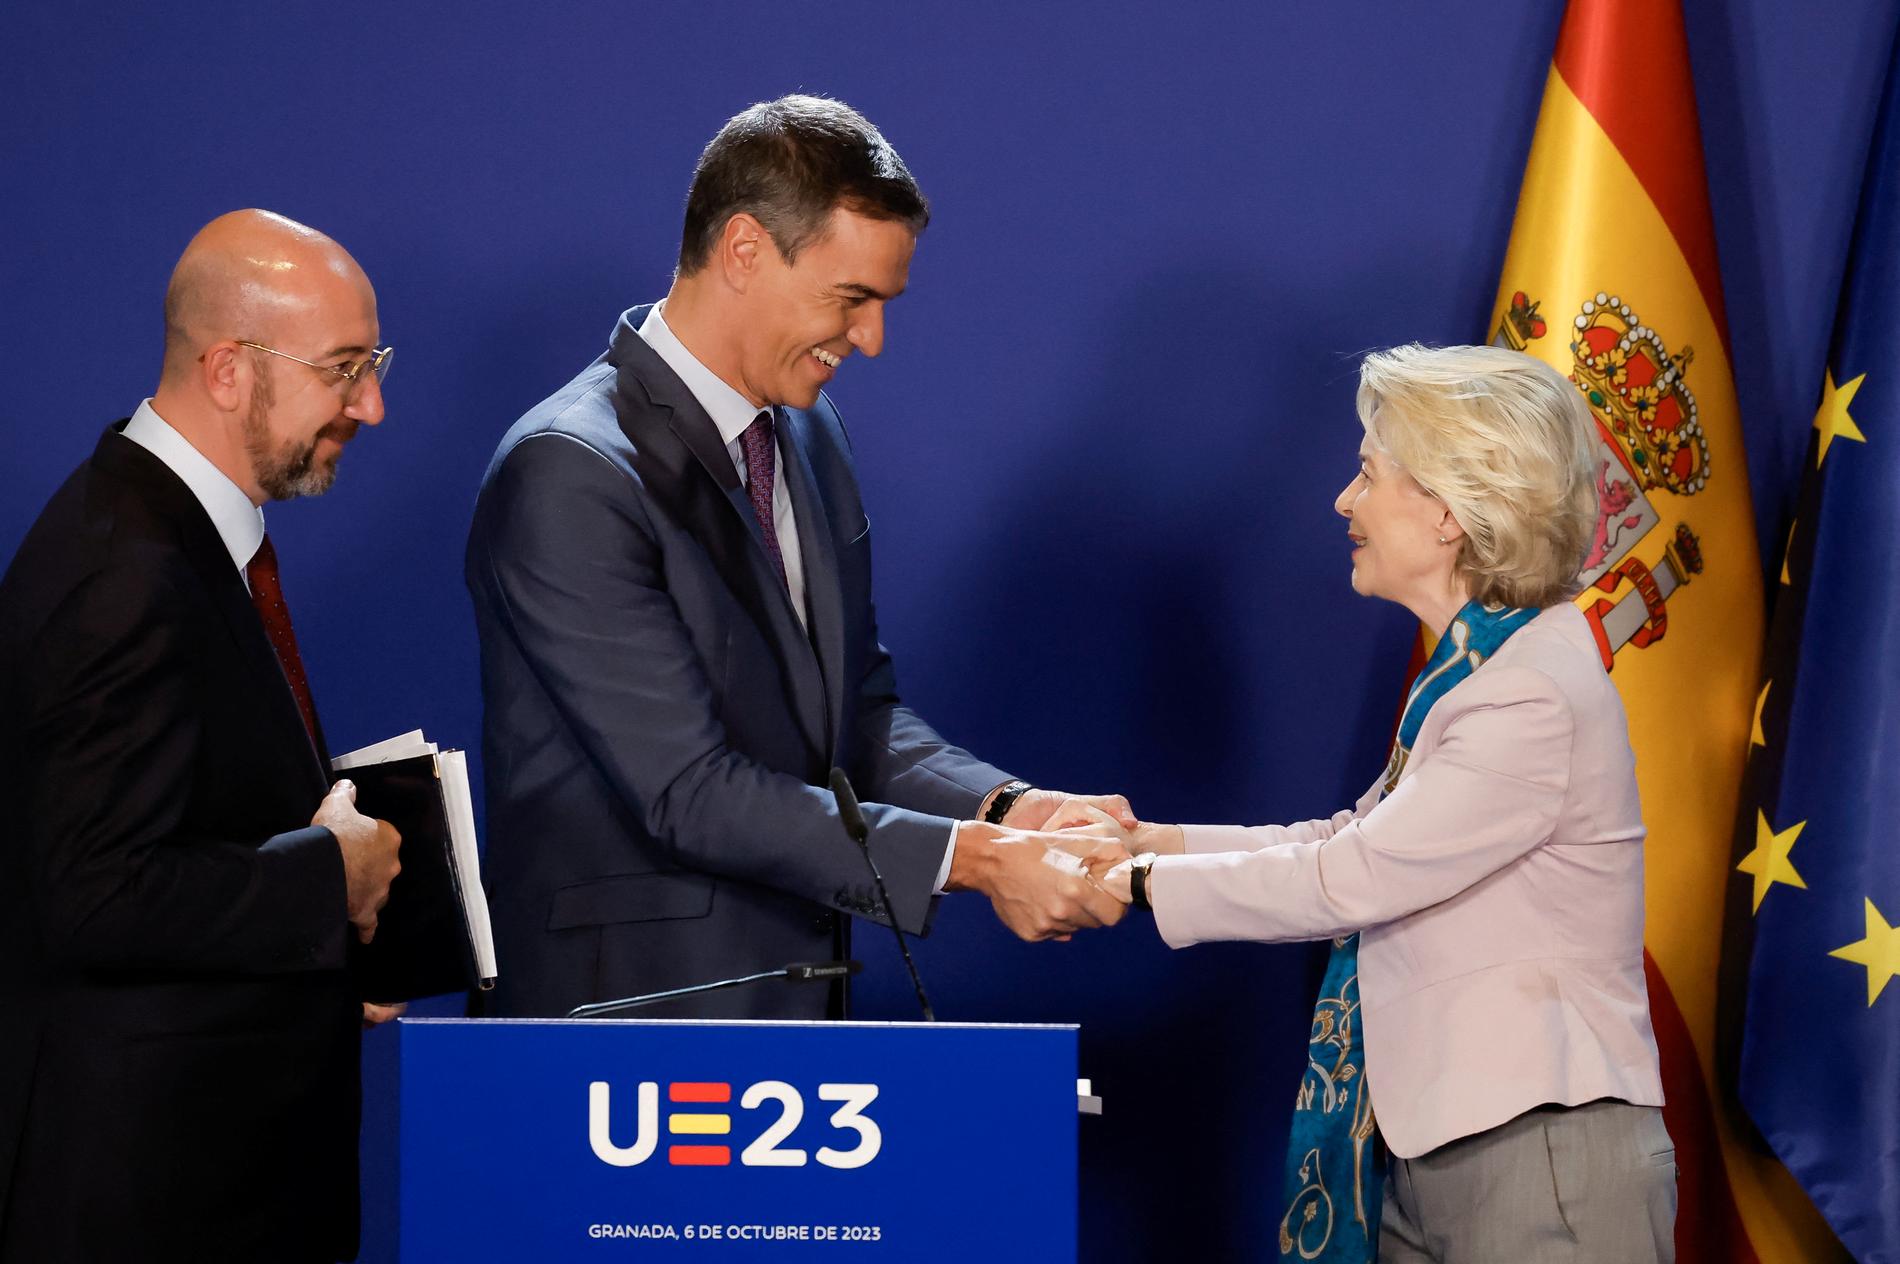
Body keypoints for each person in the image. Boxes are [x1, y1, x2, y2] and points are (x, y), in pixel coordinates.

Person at [467, 95, 1128, 1021]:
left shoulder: (810, 440)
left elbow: (853, 718)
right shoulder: (570, 471)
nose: (870, 339)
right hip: (625, 1040)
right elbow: (688, 792)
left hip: (791, 1024)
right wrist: (973, 862)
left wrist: (1009, 811)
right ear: (743, 250)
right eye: (850, 298)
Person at [1062, 345, 1676, 1262]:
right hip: (1436, 1146)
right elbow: (1356, 835)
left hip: (1536, 1155)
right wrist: (1159, 842)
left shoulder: (1526, 692)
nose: (1344, 502)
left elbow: (1354, 877)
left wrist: (1139, 882)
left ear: (1448, 510)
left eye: (1368, 473)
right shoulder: (1478, 673)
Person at [0, 210, 403, 1263]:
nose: (372, 403)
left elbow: (198, 820)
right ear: (230, 369)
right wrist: (331, 879)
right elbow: (97, 894)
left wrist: (339, 942)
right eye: (344, 368)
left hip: (215, 1181)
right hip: (153, 1203)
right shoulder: (123, 572)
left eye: (374, 363)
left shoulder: (172, 534)